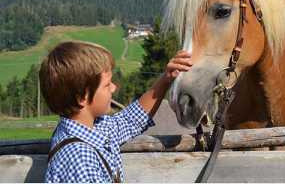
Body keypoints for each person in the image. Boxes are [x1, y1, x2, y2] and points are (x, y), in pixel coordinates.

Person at [39, 41, 192, 182]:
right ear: (82, 97)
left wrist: (166, 79)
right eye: (107, 85)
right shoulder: (78, 159)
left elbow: (131, 120)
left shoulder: (95, 127)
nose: (114, 88)